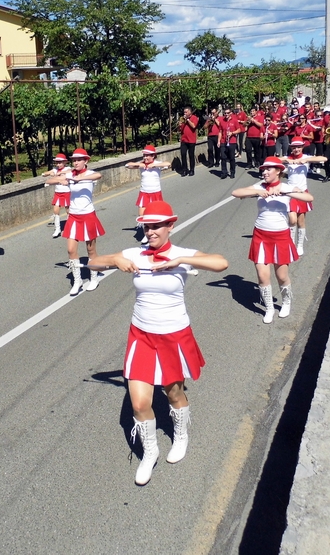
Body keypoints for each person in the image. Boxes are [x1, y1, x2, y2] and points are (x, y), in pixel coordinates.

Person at [87, 201, 228, 485]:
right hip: (141, 336)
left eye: (157, 226)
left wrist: (180, 261)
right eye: (147, 226)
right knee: (139, 404)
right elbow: (93, 262)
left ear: (170, 226)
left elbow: (220, 262)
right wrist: (116, 261)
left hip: (173, 336)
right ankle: (149, 453)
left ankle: (181, 435)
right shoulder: (134, 254)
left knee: (173, 394)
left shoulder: (181, 254)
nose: (150, 231)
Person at [232, 157, 313, 323]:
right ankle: (269, 308)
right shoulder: (259, 186)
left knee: (282, 276)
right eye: (263, 169)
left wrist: (286, 192)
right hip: (260, 236)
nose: (265, 172)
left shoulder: (287, 187)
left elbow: (308, 198)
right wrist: (257, 192)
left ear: (278, 171)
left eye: (269, 169)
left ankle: (286, 302)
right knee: (263, 277)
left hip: (280, 236)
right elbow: (236, 193)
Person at [45, 148, 104, 295]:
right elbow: (49, 181)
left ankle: (94, 278)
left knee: (91, 250)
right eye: (74, 160)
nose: (76, 162)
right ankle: (77, 281)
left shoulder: (90, 174)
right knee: (71, 250)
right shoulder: (70, 174)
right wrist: (61, 179)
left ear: (86, 161)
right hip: (73, 216)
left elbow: (99, 175)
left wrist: (79, 179)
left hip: (88, 215)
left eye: (79, 160)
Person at [279, 141, 327, 256]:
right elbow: (273, 159)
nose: (296, 149)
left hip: (302, 193)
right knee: (292, 220)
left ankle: (299, 245)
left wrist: (306, 160)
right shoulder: (288, 158)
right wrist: (287, 160)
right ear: (291, 148)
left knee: (300, 221)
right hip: (290, 192)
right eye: (294, 147)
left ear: (302, 147)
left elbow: (324, 158)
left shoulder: (305, 157)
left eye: (299, 147)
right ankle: (291, 243)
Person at [125, 145, 170, 245]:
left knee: (155, 215)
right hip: (144, 193)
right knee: (142, 215)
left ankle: (158, 233)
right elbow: (127, 165)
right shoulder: (142, 164)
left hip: (155, 192)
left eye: (148, 155)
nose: (145, 157)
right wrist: (140, 165)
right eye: (144, 155)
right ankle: (147, 234)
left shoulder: (157, 164)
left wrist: (155, 166)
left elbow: (168, 164)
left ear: (153, 156)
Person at [41, 153, 71, 238]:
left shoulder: (67, 169)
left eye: (60, 162)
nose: (58, 164)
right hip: (58, 193)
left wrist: (60, 173)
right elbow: (46, 173)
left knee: (68, 210)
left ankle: (70, 226)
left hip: (67, 192)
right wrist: (46, 174)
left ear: (65, 162)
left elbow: (70, 172)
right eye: (57, 162)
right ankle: (57, 229)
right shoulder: (55, 169)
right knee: (55, 210)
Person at [178, 107, 199, 176]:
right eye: (184, 112)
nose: (184, 113)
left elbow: (193, 126)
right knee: (183, 154)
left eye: (186, 112)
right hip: (184, 140)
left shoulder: (194, 118)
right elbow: (180, 130)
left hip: (191, 140)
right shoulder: (183, 119)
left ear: (190, 112)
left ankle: (192, 170)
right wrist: (179, 125)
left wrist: (188, 120)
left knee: (191, 155)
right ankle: (184, 170)